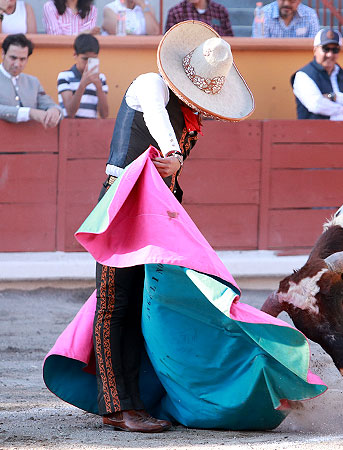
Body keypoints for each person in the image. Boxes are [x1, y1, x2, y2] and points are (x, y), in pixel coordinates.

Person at [92, 20, 253, 433]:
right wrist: (171, 152)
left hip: (156, 209)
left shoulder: (190, 120)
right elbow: (157, 121)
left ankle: (137, 401)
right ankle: (118, 406)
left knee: (146, 305)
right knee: (115, 305)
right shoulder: (150, 83)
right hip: (121, 199)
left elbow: (171, 174)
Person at [291, 28, 343, 120]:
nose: (330, 54)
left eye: (335, 50)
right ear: (315, 50)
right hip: (317, 132)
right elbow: (316, 105)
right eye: (326, 49)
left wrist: (334, 97)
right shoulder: (303, 76)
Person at [0, 33, 62, 128]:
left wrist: (54, 111)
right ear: (3, 54)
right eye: (13, 58)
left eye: (22, 59)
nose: (17, 64)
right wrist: (29, 112)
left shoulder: (33, 82)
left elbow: (49, 105)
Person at [57, 33, 108, 119]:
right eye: (85, 59)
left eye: (93, 59)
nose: (88, 64)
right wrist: (82, 84)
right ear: (75, 55)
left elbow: (104, 114)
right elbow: (70, 112)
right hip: (69, 129)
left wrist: (99, 87)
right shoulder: (65, 76)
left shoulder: (101, 78)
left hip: (91, 128)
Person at [252, 0, 319, 38]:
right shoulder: (263, 14)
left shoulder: (310, 15)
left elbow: (314, 47)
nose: (286, 3)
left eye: (292, 1)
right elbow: (259, 45)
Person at [164, 0, 233, 36]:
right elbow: (169, 42)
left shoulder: (220, 11)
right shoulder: (175, 12)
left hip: (215, 59)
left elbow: (229, 39)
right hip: (186, 60)